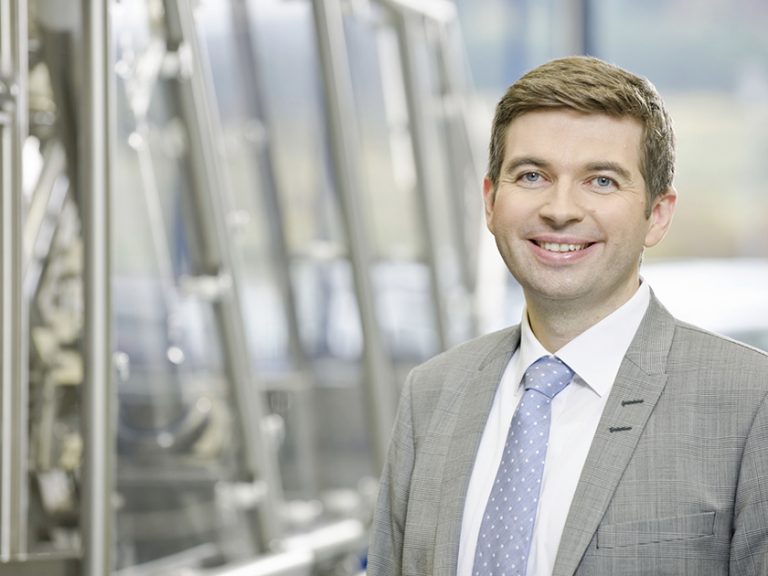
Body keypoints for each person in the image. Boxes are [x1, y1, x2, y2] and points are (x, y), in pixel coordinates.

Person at [366, 56, 768, 576]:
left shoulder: (751, 403)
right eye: (532, 175)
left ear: (657, 214)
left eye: (601, 181)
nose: (559, 209)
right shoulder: (431, 395)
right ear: (490, 200)